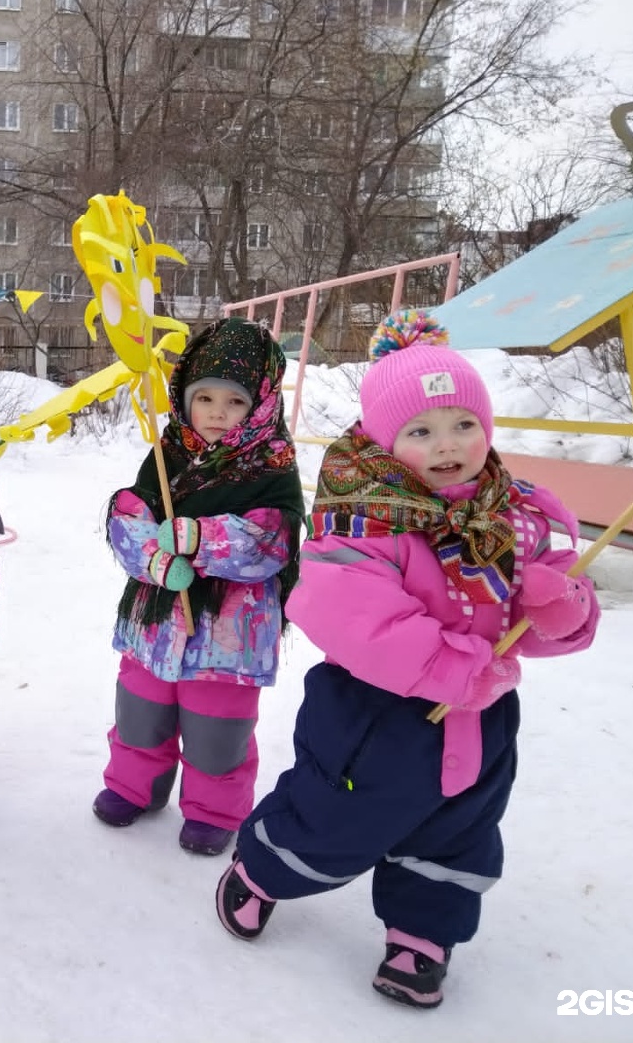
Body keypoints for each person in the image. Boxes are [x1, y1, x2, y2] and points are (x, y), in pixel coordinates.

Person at [215, 310, 600, 1009]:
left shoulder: (519, 517)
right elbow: (348, 611)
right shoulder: (364, 516)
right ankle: (266, 868)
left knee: (458, 831)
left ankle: (421, 934)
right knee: (330, 820)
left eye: (463, 425)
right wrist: (450, 665)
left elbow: (551, 619)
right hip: (373, 718)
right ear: (388, 443)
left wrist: (561, 608)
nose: (447, 445)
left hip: (480, 719)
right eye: (421, 431)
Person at [92, 317, 304, 856]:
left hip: (228, 637)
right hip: (155, 625)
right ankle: (132, 786)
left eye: (233, 401)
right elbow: (129, 517)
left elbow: (271, 541)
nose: (215, 412)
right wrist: (155, 563)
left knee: (217, 734)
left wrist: (200, 538)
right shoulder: (167, 454)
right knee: (140, 715)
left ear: (260, 403)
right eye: (203, 397)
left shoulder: (272, 462)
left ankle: (213, 810)